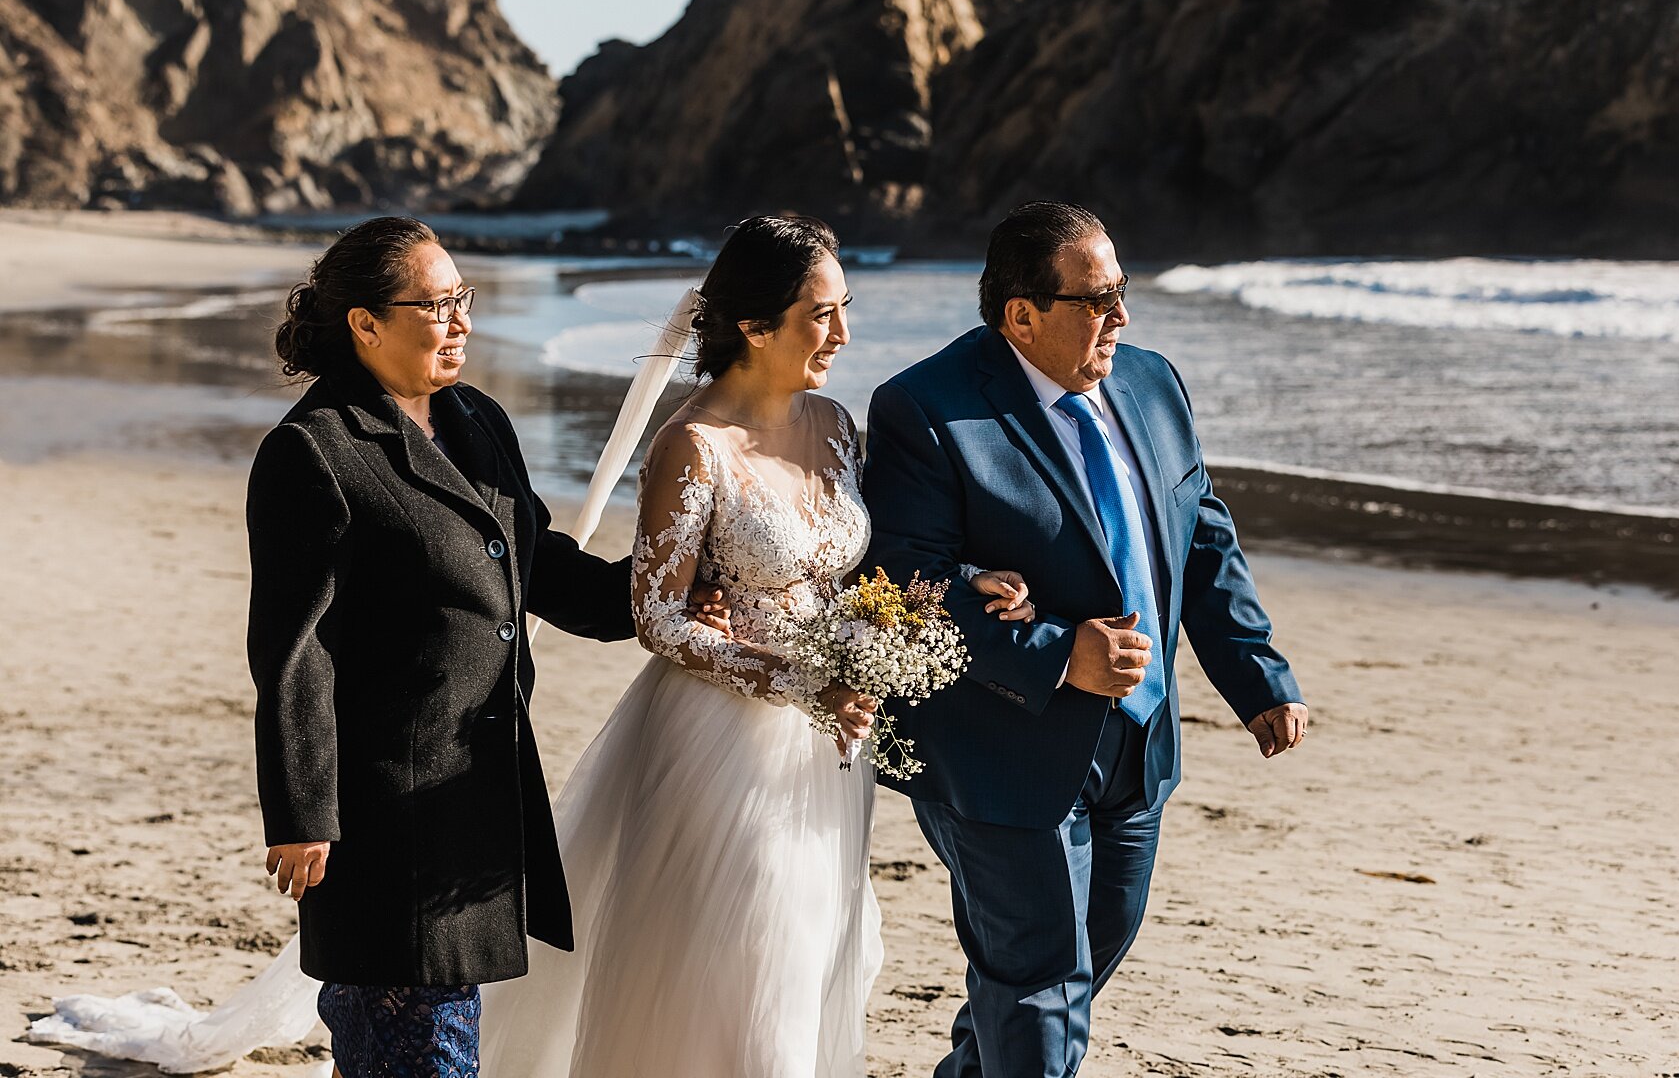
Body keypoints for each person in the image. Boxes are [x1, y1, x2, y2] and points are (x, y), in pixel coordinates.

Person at [477, 215, 1032, 1077]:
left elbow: (852, 568)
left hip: (829, 750)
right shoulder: (692, 448)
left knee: (806, 957)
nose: (843, 334)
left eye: (844, 309)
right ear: (754, 325)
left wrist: (955, 588)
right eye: (821, 315)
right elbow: (658, 616)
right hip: (719, 743)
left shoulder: (839, 425)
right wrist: (798, 677)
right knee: (738, 971)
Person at [246, 216, 726, 1077]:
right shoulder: (312, 453)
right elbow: (295, 651)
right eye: (435, 305)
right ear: (366, 323)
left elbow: (546, 566)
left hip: (483, 799)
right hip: (384, 814)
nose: (461, 320)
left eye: (462, 298)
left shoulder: (476, 420)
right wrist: (303, 813)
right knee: (415, 1044)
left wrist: (662, 596)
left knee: (442, 1036)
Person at [860, 201, 1309, 1077]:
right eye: (1097, 298)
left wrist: (1258, 677)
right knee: (1035, 981)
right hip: (997, 749)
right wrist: (1062, 652)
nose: (1122, 317)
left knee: (1083, 960)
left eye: (1122, 291)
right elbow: (902, 582)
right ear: (1020, 315)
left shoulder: (1151, 382)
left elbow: (1200, 533)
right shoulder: (926, 409)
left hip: (1140, 742)